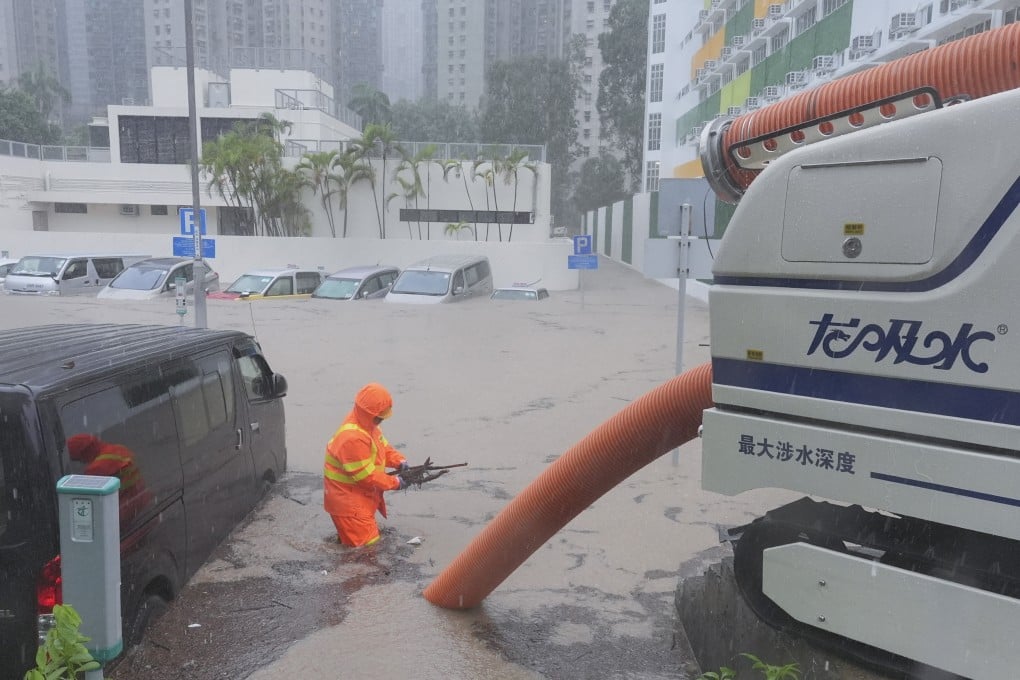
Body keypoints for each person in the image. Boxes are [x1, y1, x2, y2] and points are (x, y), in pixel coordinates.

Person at [323, 383, 412, 547]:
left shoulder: (368, 426)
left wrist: (399, 461)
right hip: (349, 505)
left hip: (357, 500)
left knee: (360, 548)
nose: (381, 420)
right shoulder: (352, 437)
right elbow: (367, 477)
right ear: (368, 413)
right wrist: (396, 483)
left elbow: (383, 448)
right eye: (379, 416)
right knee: (368, 552)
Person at [66, 433, 151, 525]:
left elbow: (90, 505)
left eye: (78, 459)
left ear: (84, 452)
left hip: (124, 517)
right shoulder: (119, 449)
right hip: (143, 505)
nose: (81, 462)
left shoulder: (96, 469)